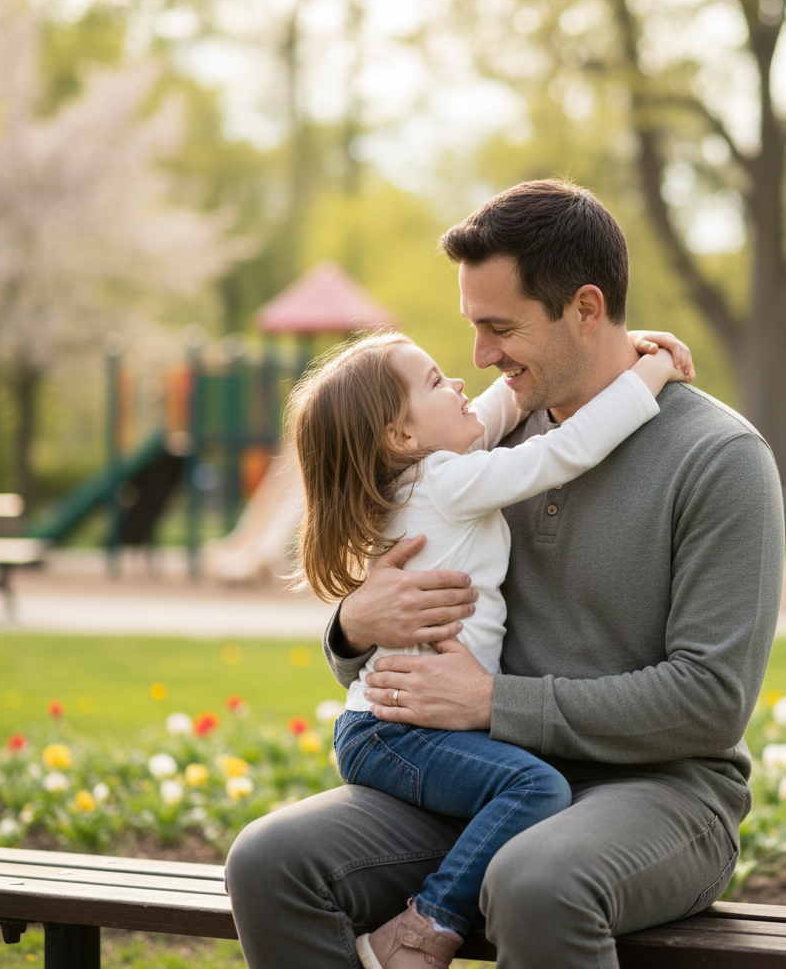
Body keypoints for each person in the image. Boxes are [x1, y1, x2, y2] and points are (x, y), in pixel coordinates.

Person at [225, 180, 785, 969]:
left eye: (500, 327)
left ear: (585, 309)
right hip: (490, 777)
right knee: (268, 860)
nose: (481, 356)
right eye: (473, 328)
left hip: (661, 794)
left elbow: (710, 704)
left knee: (535, 879)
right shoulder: (478, 442)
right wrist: (354, 625)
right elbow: (385, 633)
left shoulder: (720, 461)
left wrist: (494, 701)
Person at [285, 328, 692, 969]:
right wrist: (652, 371)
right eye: (434, 382)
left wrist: (596, 353)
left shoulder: (413, 480)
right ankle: (424, 930)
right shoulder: (444, 482)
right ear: (401, 437)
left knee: (528, 790)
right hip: (402, 732)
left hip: (379, 730)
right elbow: (567, 450)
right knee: (536, 790)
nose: (460, 382)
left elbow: (489, 413)